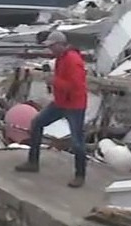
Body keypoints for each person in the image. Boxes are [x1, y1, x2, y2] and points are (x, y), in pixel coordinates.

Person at [15, 31, 88, 188]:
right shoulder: (61, 58)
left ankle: (80, 175)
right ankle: (33, 162)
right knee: (37, 123)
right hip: (61, 103)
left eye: (52, 46)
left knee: (77, 141)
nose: (50, 49)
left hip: (74, 105)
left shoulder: (73, 60)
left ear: (61, 44)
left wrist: (54, 81)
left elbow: (76, 86)